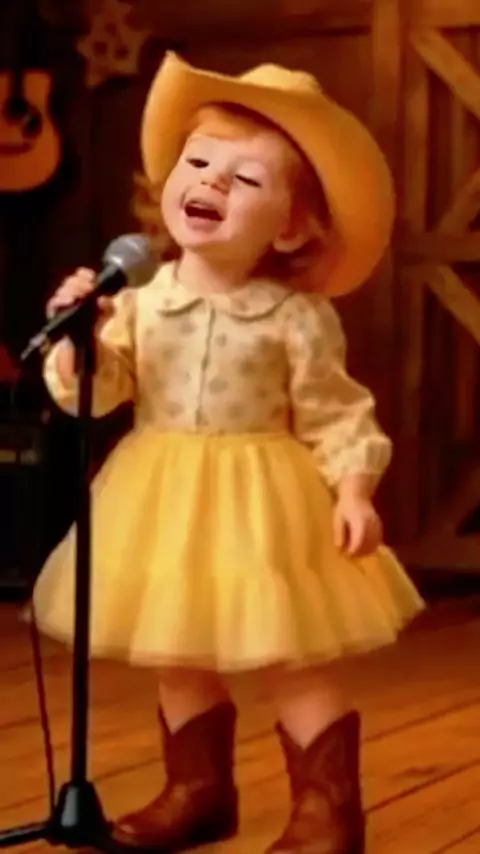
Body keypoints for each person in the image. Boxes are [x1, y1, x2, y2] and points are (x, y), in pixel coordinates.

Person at [31, 52, 424, 854]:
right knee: (177, 646)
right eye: (198, 162)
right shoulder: (140, 302)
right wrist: (79, 339)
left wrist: (354, 488)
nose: (211, 182)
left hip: (264, 500)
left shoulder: (294, 316)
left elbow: (335, 410)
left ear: (292, 226)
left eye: (245, 179)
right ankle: (197, 791)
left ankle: (327, 810)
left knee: (292, 650)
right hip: (161, 492)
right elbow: (100, 393)